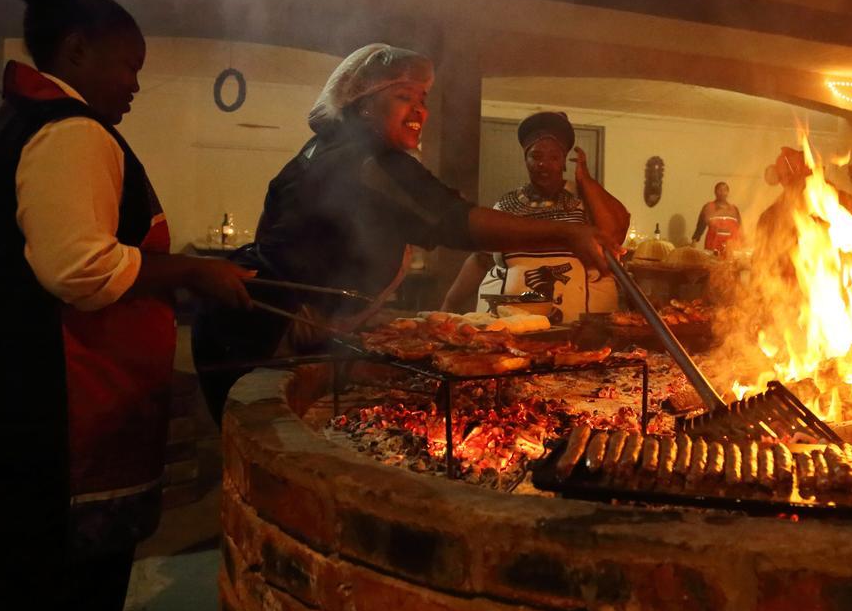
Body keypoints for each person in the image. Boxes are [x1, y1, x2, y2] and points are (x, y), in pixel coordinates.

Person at [0, 0, 253, 611]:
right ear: (75, 53)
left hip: (27, 401)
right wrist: (194, 271)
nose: (135, 84)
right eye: (129, 65)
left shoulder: (20, 118)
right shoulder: (72, 132)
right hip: (65, 413)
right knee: (63, 606)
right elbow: (79, 268)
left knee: (26, 588)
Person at [192, 49, 619, 421]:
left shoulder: (329, 149)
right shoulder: (367, 161)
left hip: (261, 319)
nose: (419, 110)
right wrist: (569, 236)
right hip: (260, 326)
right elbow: (456, 220)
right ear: (362, 105)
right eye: (402, 97)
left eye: (423, 98)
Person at [440, 111, 630, 321]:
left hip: (577, 331)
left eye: (554, 157)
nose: (543, 164)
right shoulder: (507, 204)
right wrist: (449, 304)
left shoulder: (586, 198)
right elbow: (481, 259)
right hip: (510, 326)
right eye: (536, 156)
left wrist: (585, 179)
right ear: (525, 159)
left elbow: (614, 234)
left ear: (564, 161)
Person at [691, 181, 742, 256]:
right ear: (715, 192)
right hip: (712, 247)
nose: (722, 193)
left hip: (731, 249)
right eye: (719, 190)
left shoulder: (734, 209)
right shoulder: (708, 207)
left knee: (730, 267)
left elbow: (740, 228)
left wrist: (743, 244)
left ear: (728, 192)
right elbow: (700, 226)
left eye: (724, 190)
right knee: (713, 266)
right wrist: (694, 241)